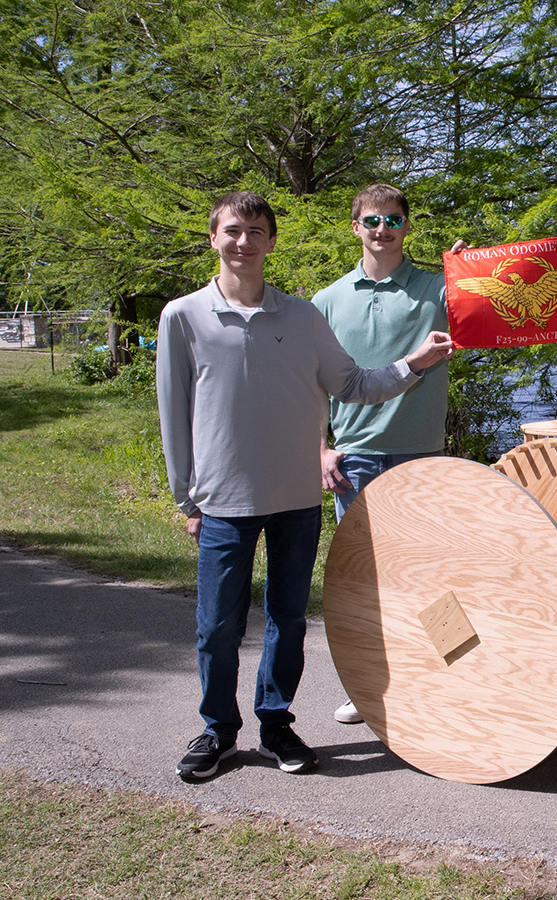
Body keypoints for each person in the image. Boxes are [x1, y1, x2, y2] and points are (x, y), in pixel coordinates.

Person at [156, 191, 454, 782]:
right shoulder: (182, 317)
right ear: (214, 238)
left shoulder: (302, 315)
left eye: (255, 231)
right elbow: (174, 411)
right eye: (232, 230)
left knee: (288, 619)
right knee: (217, 626)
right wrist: (187, 498)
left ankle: (275, 725)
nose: (244, 241)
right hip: (222, 502)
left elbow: (354, 385)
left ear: (271, 241)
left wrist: (414, 364)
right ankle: (218, 730)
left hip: (296, 499)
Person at [312, 183, 457, 727]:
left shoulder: (438, 289)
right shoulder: (327, 301)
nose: (382, 230)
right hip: (354, 460)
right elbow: (310, 385)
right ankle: (368, 685)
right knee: (368, 585)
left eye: (393, 220)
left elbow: (493, 311)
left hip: (421, 456)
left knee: (432, 579)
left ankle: (439, 682)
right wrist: (320, 448)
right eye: (372, 221)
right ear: (356, 227)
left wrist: (469, 274)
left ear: (406, 227)